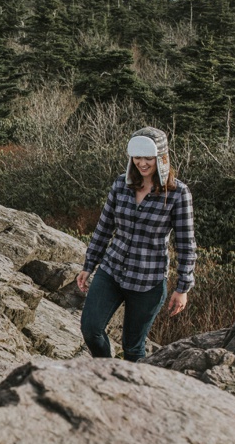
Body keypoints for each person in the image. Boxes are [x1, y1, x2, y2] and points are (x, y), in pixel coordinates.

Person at [76, 126, 196, 362]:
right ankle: (106, 371)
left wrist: (183, 288)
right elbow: (104, 227)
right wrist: (89, 265)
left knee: (133, 348)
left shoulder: (178, 193)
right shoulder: (121, 184)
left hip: (148, 280)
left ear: (161, 158)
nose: (142, 163)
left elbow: (186, 244)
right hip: (112, 271)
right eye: (137, 157)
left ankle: (130, 390)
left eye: (148, 158)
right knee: (90, 329)